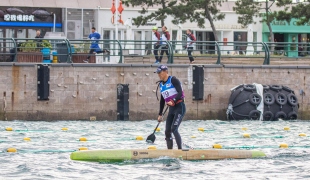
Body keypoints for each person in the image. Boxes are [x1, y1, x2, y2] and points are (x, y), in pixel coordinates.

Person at [154, 65, 186, 149]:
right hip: (171, 109)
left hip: (180, 106)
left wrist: (173, 100)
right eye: (158, 73)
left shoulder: (173, 80)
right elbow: (162, 100)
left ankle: (180, 150)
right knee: (167, 131)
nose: (158, 75)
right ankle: (170, 151)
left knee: (174, 129)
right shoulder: (161, 84)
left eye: (160, 73)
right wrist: (160, 114)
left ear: (165, 72)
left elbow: (180, 93)